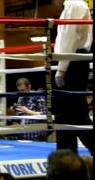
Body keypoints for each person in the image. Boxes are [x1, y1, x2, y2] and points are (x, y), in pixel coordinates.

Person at [53, 0, 94, 156]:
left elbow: (69, 38)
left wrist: (61, 69)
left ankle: (65, 161)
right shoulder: (75, 5)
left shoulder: (74, 5)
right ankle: (67, 161)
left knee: (68, 114)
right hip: (72, 61)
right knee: (75, 114)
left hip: (71, 62)